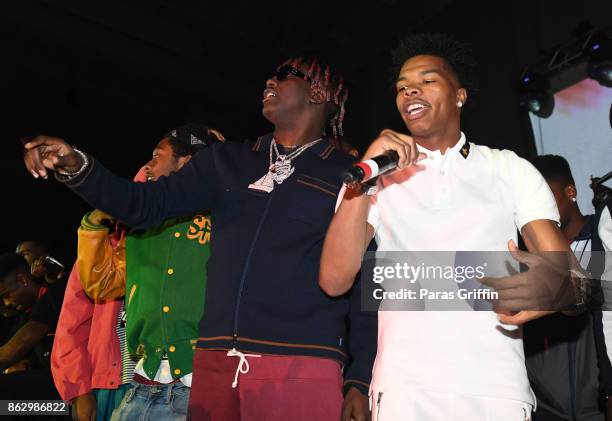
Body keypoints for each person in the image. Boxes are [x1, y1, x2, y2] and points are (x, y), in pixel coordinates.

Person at [22, 57, 377, 421]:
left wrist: (359, 380)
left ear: (318, 92)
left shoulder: (346, 174)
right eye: (271, 72)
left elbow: (366, 283)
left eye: (285, 74)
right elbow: (144, 204)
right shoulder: (227, 161)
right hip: (213, 365)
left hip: (302, 364)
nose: (270, 78)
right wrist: (78, 165)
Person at [318, 33, 576, 420]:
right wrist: (366, 182)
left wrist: (552, 289)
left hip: (496, 389)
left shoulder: (509, 169)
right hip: (404, 388)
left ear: (460, 95)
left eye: (427, 80)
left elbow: (574, 281)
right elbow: (334, 280)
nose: (410, 92)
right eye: (402, 87)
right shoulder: (376, 176)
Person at [76, 123, 223, 421]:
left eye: (157, 156)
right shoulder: (140, 227)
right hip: (141, 386)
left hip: (197, 389)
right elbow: (102, 286)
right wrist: (93, 224)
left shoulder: (222, 218)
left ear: (187, 163)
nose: (148, 165)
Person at [525, 155, 606, 421]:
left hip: (599, 404)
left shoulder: (604, 238)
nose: (537, 207)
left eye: (544, 196)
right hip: (546, 410)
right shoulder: (526, 256)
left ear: (570, 192)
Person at [0, 253, 65, 399]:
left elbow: (9, 353)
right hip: (51, 404)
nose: (7, 303)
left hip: (75, 398)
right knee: (7, 407)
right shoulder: (22, 320)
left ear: (22, 280)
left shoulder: (56, 294)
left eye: (6, 295)